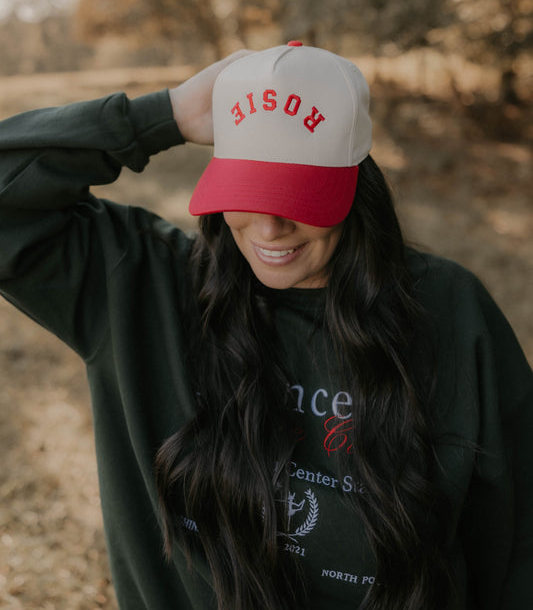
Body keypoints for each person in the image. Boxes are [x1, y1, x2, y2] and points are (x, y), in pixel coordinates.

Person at [0, 42, 531, 610]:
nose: (271, 228)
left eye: (298, 195)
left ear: (357, 184)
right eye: (248, 193)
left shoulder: (449, 311)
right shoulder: (140, 288)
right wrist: (165, 115)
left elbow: (517, 541)